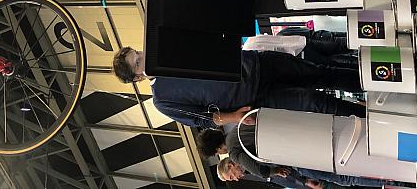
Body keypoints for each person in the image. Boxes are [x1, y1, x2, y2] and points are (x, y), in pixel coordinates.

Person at [112, 47, 365, 130]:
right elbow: (200, 118)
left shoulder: (171, 49)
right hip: (255, 98)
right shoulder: (162, 100)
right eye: (138, 62)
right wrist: (234, 117)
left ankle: (373, 80)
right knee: (316, 103)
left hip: (257, 63)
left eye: (138, 53)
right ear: (137, 77)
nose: (143, 56)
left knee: (320, 73)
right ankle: (370, 117)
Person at [201, 129, 401, 188]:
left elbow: (261, 170)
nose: (236, 179)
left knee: (345, 178)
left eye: (231, 176)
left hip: (298, 161)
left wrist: (273, 171)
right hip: (304, 139)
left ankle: (393, 180)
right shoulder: (241, 127)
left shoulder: (235, 150)